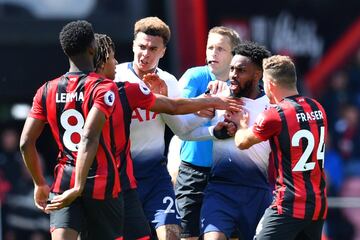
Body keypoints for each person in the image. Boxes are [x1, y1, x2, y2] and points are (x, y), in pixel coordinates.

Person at [95, 32, 243, 240]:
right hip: (123, 176)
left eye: (153, 49)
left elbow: (180, 128)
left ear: (163, 51)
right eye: (142, 47)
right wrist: (208, 102)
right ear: (133, 45)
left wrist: (212, 128)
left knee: (172, 234)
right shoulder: (115, 78)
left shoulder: (167, 80)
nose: (145, 54)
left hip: (156, 176)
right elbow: (175, 108)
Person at [19, 20, 124, 240]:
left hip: (63, 180)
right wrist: (79, 186)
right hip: (100, 182)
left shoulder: (46, 90)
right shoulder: (104, 87)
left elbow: (25, 143)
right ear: (92, 49)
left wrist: (39, 183)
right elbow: (88, 136)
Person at [234, 55, 328, 240]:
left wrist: (241, 125)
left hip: (288, 206)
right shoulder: (317, 107)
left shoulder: (275, 115)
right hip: (318, 205)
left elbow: (242, 142)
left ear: (270, 84)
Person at [172, 26, 241, 240]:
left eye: (220, 48)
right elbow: (178, 120)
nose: (213, 53)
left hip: (228, 173)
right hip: (193, 171)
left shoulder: (243, 86)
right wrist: (203, 102)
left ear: (234, 56)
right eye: (210, 47)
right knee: (187, 236)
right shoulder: (193, 77)